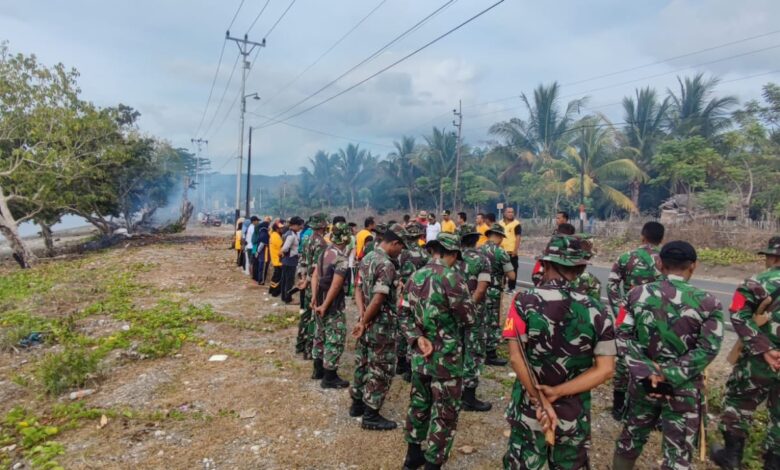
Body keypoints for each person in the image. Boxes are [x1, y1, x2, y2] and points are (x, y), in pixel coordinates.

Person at [503, 234, 616, 469]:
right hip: (573, 410)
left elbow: (516, 358)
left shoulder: (523, 301)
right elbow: (605, 370)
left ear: (545, 264)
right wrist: (556, 392)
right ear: (581, 267)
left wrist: (541, 399)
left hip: (530, 407)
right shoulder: (597, 309)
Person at [613, 241, 723, 470]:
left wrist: (648, 371)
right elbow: (708, 348)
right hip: (683, 388)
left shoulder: (636, 294)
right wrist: (670, 374)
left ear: (660, 263)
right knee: (678, 452)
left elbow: (622, 335)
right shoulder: (709, 302)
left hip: (644, 384)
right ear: (693, 266)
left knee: (630, 440)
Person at [400, 232, 476, 470]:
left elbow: (403, 313)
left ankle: (413, 455)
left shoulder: (415, 275)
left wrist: (417, 337)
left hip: (420, 355)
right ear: (451, 254)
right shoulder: (453, 278)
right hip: (446, 359)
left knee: (419, 403)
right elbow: (468, 318)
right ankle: (433, 463)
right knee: (445, 412)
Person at [711, 236, 780, 470]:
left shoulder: (758, 282)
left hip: (758, 361)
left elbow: (738, 315)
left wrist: (765, 348)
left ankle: (731, 456)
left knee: (739, 403)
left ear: (772, 257)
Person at [606, 221, 665, 420]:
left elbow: (612, 286)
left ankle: (618, 406)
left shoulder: (626, 257)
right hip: (658, 316)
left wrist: (619, 310)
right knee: (656, 357)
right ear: (661, 239)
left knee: (624, 355)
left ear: (642, 235)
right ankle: (654, 408)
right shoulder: (666, 260)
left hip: (629, 313)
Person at [350, 224, 407, 431]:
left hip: (365, 319)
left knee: (362, 362)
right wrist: (365, 320)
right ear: (394, 243)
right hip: (380, 325)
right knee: (381, 367)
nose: (401, 251)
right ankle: (371, 414)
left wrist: (361, 316)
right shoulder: (386, 264)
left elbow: (357, 288)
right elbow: (380, 296)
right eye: (401, 247)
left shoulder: (367, 258)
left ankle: (356, 403)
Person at [311, 221, 352, 389]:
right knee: (335, 338)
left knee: (320, 335)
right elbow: (336, 285)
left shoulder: (324, 252)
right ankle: (329, 377)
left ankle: (318, 370)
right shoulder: (341, 258)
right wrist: (326, 305)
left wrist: (315, 299)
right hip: (332, 305)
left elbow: (314, 276)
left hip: (319, 300)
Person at [457, 223, 493, 412]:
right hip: (474, 313)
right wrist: (469, 309)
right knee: (474, 351)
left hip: (454, 312)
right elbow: (481, 288)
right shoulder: (482, 259)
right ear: (476, 239)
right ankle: (468, 397)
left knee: (456, 349)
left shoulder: (453, 258)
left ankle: (453, 390)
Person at [396, 221, 430, 382]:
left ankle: (400, 362)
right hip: (419, 295)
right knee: (416, 327)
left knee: (401, 327)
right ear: (419, 236)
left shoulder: (400, 253)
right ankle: (411, 367)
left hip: (402, 293)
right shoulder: (425, 254)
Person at [480, 223, 516, 366]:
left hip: (478, 288)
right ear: (500, 237)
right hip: (494, 290)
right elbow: (512, 276)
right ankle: (490, 354)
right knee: (493, 322)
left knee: (480, 319)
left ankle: (478, 348)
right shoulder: (501, 253)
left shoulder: (478, 250)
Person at [297, 213, 329, 363]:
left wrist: (303, 279)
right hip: (315, 284)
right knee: (314, 318)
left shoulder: (307, 239)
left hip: (308, 282)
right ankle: (310, 350)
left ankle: (300, 344)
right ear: (323, 226)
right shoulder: (321, 244)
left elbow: (303, 261)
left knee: (306, 313)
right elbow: (318, 268)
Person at [280, 217, 304, 304]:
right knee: (289, 281)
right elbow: (285, 248)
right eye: (300, 225)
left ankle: (284, 297)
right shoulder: (291, 235)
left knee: (285, 280)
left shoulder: (290, 233)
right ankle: (288, 299)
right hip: (290, 260)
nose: (301, 227)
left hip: (287, 260)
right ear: (294, 225)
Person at [499, 208, 522, 291]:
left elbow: (518, 238)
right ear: (504, 213)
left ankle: (511, 288)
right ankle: (501, 286)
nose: (511, 213)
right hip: (501, 251)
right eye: (508, 212)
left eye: (512, 212)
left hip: (511, 251)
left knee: (513, 270)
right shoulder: (500, 223)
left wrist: (515, 250)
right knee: (500, 270)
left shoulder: (516, 224)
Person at [268, 221, 284, 297]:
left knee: (275, 276)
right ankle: (275, 292)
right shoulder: (276, 237)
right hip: (278, 260)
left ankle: (271, 290)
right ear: (276, 228)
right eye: (280, 228)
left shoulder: (273, 235)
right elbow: (282, 248)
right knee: (278, 277)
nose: (282, 229)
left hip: (275, 259)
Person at [252, 220, 270, 284]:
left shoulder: (262, 233)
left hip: (262, 253)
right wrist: (258, 252)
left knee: (260, 267)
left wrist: (257, 252)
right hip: (264, 253)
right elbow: (262, 245)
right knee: (263, 267)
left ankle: (260, 280)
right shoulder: (265, 234)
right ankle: (261, 280)